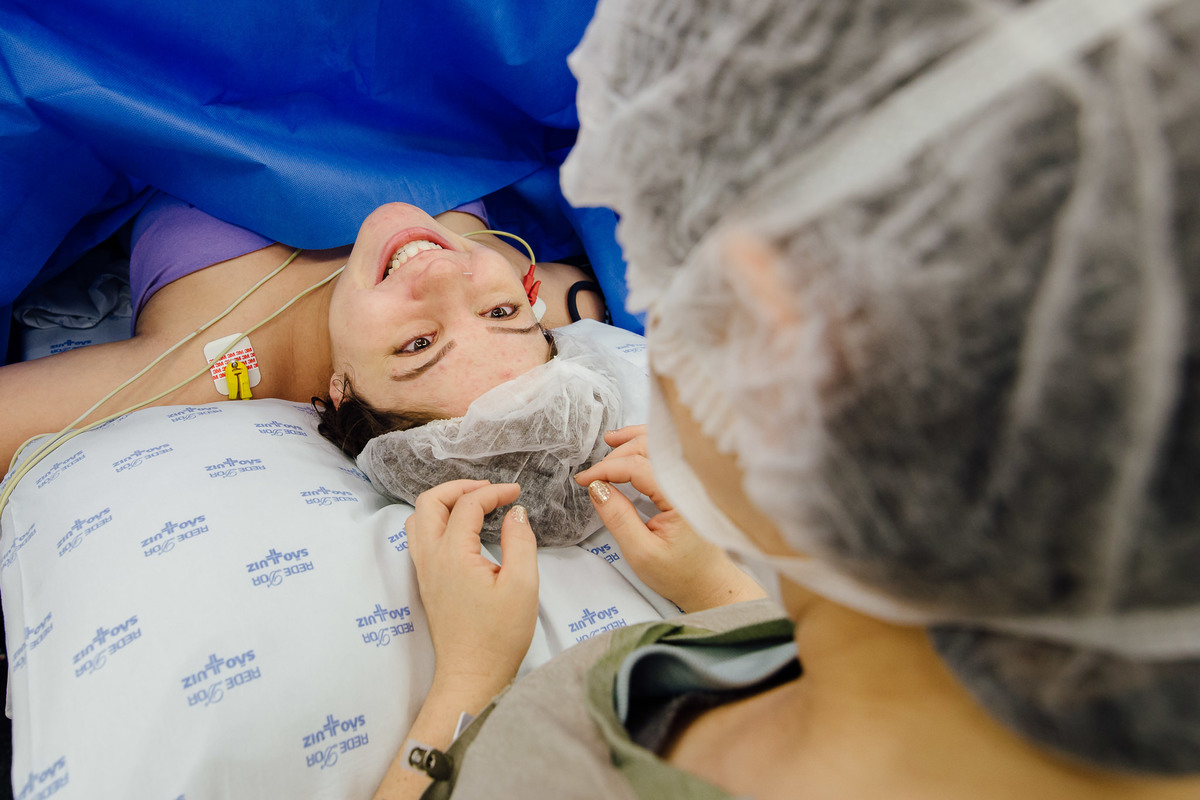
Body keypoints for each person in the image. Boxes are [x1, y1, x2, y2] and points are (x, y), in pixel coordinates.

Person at [373, 0, 1200, 797]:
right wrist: (723, 597)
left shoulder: (551, 766)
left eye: (661, 278)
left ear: (776, 337)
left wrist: (464, 688)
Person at [0, 194, 606, 472]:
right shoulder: (550, 293)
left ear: (343, 391)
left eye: (418, 345)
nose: (444, 272)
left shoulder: (206, 367)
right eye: (501, 314)